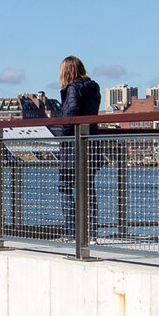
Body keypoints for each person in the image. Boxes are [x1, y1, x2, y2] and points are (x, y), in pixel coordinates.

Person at [47, 56, 101, 236]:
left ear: (66, 72)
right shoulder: (94, 87)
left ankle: (71, 231)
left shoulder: (72, 88)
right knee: (87, 188)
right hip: (91, 143)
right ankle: (91, 232)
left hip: (74, 148)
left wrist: (62, 140)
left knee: (65, 187)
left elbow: (71, 115)